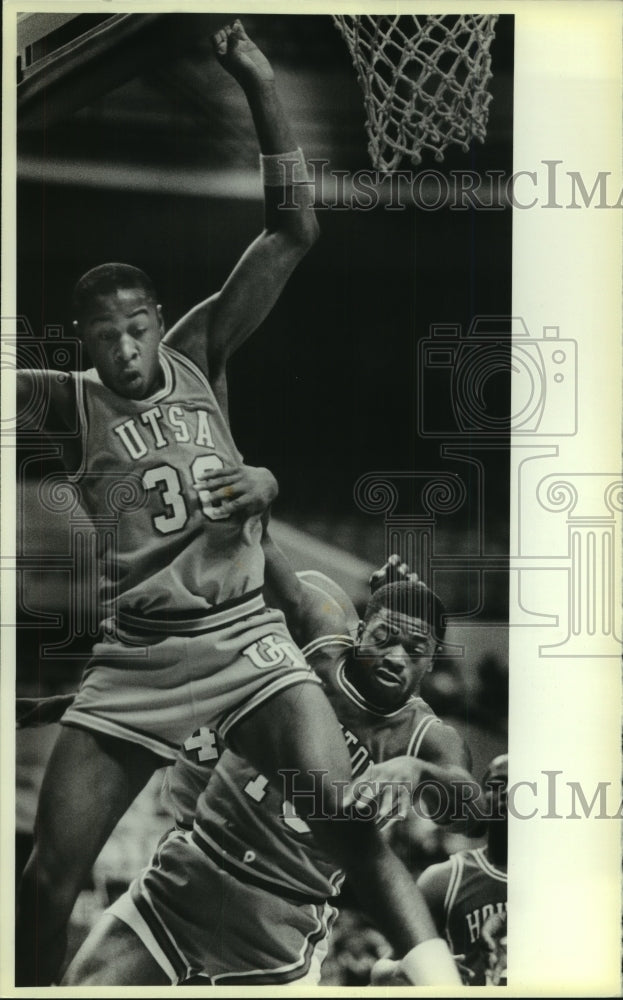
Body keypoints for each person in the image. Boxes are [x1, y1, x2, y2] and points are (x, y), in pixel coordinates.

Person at [15, 22, 460, 988]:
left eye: (136, 328)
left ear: (154, 319)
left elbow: (293, 229)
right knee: (47, 881)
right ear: (82, 342)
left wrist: (259, 77)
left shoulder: (202, 350)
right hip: (140, 653)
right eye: (104, 336)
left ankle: (441, 982)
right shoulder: (60, 399)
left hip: (241, 637)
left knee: (343, 819)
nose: (126, 350)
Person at [50, 549, 476, 985]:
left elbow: (472, 814)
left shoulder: (428, 738)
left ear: (430, 661)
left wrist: (421, 774)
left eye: (415, 649)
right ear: (360, 630)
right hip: (190, 873)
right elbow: (254, 562)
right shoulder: (319, 635)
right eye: (384, 637)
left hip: (282, 923)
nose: (395, 657)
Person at [371, 753, 508, 986]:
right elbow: (381, 971)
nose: (506, 793)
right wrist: (414, 969)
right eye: (497, 785)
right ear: (483, 798)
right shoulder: (444, 879)